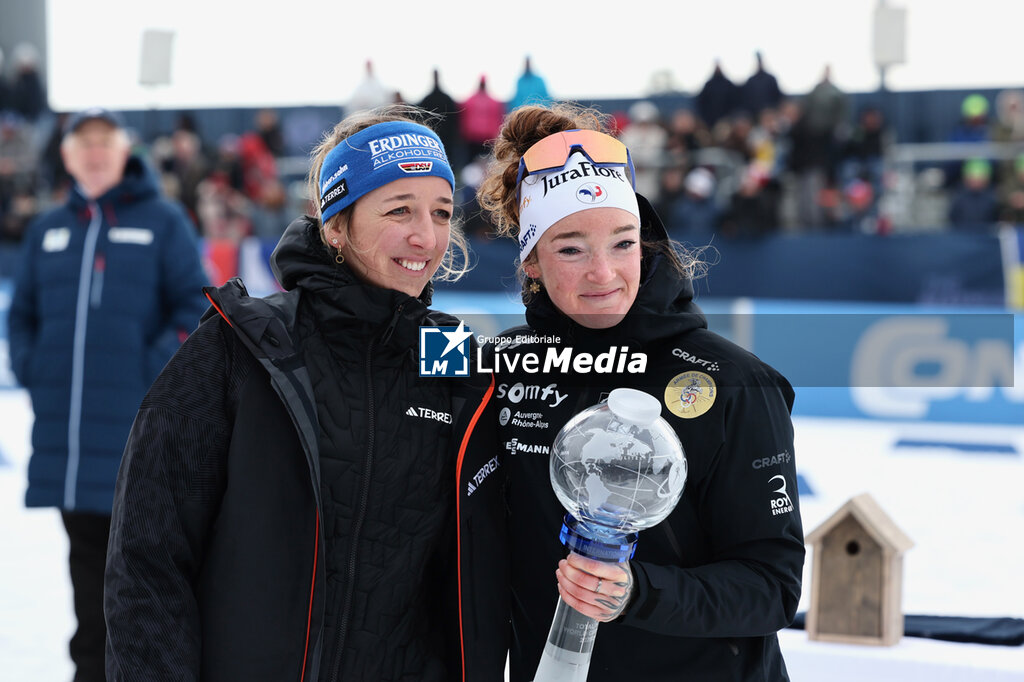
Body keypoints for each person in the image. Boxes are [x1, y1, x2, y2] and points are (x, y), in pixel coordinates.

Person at [103, 104, 508, 681]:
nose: (427, 235)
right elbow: (146, 557)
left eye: (441, 212)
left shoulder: (454, 363)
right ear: (336, 225)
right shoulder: (243, 343)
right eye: (399, 209)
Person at [475, 103, 804, 681]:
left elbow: (771, 587)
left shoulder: (734, 382)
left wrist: (637, 591)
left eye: (623, 244)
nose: (603, 274)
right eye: (571, 249)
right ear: (530, 261)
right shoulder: (500, 367)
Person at [6, 107, 210, 682]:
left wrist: (147, 378)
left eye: (104, 143)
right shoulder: (48, 230)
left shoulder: (162, 221)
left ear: (125, 152)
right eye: (83, 145)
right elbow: (20, 318)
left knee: (139, 592)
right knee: (85, 592)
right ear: (67, 157)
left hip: (136, 446)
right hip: (69, 452)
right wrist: (34, 368)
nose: (94, 153)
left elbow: (195, 309)